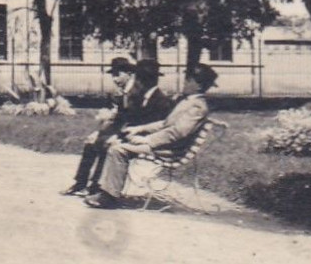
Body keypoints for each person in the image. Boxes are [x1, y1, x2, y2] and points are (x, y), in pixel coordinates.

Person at [84, 63, 218, 209]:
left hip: (169, 150)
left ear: (198, 85)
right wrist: (139, 129)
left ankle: (109, 197)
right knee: (115, 145)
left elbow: (177, 132)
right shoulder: (188, 101)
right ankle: (105, 191)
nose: (184, 82)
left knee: (118, 150)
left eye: (188, 80)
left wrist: (147, 140)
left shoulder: (197, 106)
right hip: (163, 145)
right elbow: (165, 124)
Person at [60, 57, 175, 196]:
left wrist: (115, 136)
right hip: (131, 132)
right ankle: (81, 183)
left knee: (104, 143)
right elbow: (122, 118)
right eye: (113, 75)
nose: (114, 79)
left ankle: (95, 186)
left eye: (117, 74)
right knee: (92, 143)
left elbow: (138, 122)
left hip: (141, 137)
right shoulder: (133, 92)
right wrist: (101, 132)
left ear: (130, 74)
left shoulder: (140, 93)